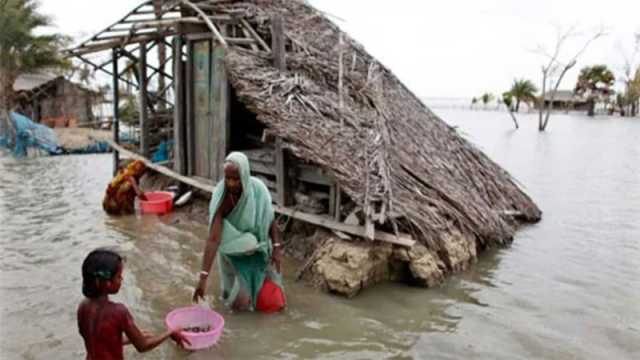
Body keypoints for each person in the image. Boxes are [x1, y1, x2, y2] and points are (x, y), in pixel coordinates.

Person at [193, 152, 285, 312]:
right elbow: (213, 239)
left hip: (260, 248)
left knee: (274, 299)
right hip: (234, 252)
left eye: (236, 179)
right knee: (237, 304)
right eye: (227, 178)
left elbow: (270, 219)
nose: (231, 183)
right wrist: (203, 278)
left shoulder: (258, 191)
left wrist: (276, 248)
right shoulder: (221, 198)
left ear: (244, 175)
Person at [77, 249, 189, 359]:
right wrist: (170, 332)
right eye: (118, 276)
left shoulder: (83, 307)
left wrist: (130, 339)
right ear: (107, 283)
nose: (121, 279)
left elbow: (97, 340)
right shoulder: (118, 311)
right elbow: (143, 346)